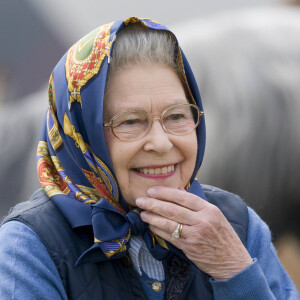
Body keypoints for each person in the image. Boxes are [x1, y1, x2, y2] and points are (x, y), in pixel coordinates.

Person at [0, 17, 298, 300]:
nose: (161, 141)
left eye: (177, 116)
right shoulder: (28, 248)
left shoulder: (237, 227)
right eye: (130, 122)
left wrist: (234, 270)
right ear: (81, 136)